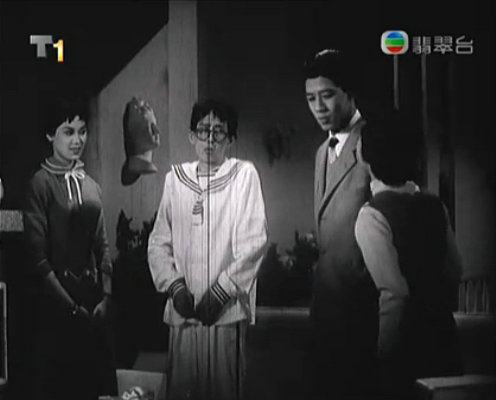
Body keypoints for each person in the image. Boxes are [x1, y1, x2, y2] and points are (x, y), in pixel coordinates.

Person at [148, 99, 268, 400]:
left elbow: (254, 242)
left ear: (231, 139)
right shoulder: (175, 180)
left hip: (225, 312)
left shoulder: (243, 176)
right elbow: (159, 242)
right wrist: (174, 286)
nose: (210, 140)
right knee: (183, 389)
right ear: (192, 136)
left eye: (219, 132)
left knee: (224, 389)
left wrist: (223, 290)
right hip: (184, 311)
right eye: (203, 130)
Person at [355, 112, 463, 398]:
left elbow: (394, 292)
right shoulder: (434, 206)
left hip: (404, 351)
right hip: (443, 338)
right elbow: (454, 270)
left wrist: (383, 355)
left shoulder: (372, 215)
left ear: (367, 158)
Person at [24, 95, 117, 400]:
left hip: (93, 305)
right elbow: (38, 259)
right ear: (50, 135)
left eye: (82, 131)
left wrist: (105, 297)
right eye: (68, 132)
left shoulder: (91, 185)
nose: (77, 140)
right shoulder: (40, 184)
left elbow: (103, 246)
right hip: (56, 307)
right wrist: (70, 308)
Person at [303, 49, 378, 399]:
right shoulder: (322, 152)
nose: (318, 107)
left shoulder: (375, 143)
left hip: (362, 314)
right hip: (326, 314)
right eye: (310, 99)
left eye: (327, 95)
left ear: (349, 92)